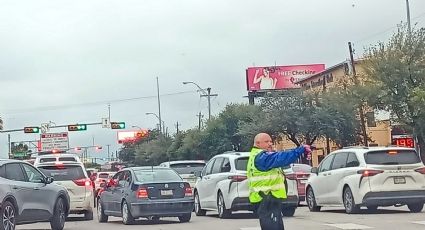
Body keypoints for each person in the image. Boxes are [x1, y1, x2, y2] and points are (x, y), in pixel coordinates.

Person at [247, 133, 312, 230]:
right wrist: (300, 150)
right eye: (266, 142)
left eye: (270, 141)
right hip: (266, 199)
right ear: (257, 143)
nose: (270, 144)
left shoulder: (258, 156)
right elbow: (281, 158)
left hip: (267, 199)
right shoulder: (261, 157)